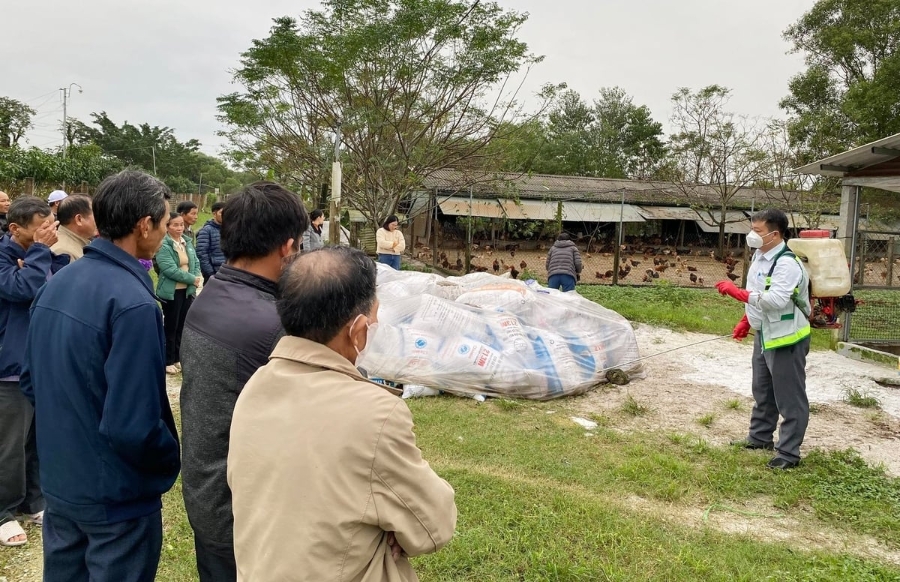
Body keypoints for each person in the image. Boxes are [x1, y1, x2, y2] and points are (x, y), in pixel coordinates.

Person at [228, 246, 457, 582]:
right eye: (375, 318)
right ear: (358, 330)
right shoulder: (375, 412)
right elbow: (434, 524)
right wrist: (388, 528)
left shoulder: (256, 386)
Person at [21, 170, 181, 581]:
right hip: (116, 499)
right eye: (165, 223)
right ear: (144, 225)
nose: (166, 232)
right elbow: (134, 424)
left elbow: (31, 381)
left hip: (63, 482)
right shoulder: (133, 303)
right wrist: (168, 458)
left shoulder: (58, 282)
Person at [180, 182, 308, 582]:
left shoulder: (212, 294)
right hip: (245, 512)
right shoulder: (272, 325)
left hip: (206, 492)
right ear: (288, 247)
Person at [716, 208, 811, 470]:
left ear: (775, 234)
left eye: (758, 231)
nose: (752, 235)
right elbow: (759, 292)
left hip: (786, 338)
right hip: (765, 333)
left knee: (789, 397)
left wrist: (737, 293)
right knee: (763, 390)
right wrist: (746, 321)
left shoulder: (787, 264)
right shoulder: (760, 256)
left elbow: (776, 300)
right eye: (752, 229)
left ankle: (788, 453)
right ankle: (759, 438)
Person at [0, 197, 66, 548]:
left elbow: (54, 290)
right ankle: (3, 511)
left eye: (51, 224)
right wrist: (39, 254)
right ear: (16, 228)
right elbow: (21, 288)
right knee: (9, 444)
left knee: (38, 439)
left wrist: (41, 258)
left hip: (42, 363)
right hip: (10, 367)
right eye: (42, 227)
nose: (50, 231)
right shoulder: (3, 257)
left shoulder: (42, 257)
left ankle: (33, 500)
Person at [155, 212, 201, 375]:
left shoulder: (186, 242)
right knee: (171, 326)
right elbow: (169, 269)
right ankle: (167, 360)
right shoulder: (164, 245)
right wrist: (192, 279)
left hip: (186, 290)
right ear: (167, 227)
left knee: (182, 325)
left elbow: (195, 262)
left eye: (181, 224)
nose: (179, 228)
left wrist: (195, 276)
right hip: (171, 292)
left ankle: (176, 358)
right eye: (175, 225)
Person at [51, 194, 97, 261]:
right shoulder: (64, 252)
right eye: (95, 215)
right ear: (79, 219)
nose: (99, 219)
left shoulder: (79, 243)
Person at [196, 201, 226, 283]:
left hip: (227, 272)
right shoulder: (206, 230)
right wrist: (210, 273)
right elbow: (201, 253)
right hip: (214, 273)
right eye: (221, 213)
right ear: (214, 214)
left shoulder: (229, 229)